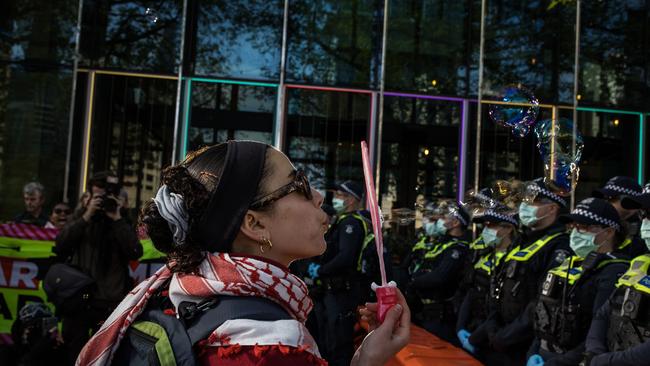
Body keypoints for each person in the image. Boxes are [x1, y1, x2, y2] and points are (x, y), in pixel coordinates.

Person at [77, 141, 410, 366]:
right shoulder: (267, 340)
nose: (319, 195)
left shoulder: (182, 292)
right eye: (299, 184)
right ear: (254, 223)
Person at [473, 178, 571, 365]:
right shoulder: (522, 240)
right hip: (498, 340)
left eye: (531, 201)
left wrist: (506, 336)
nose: (524, 206)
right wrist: (492, 329)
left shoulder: (559, 245)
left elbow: (542, 300)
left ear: (552, 208)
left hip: (525, 345)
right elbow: (497, 285)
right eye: (523, 201)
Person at [526, 198, 629, 366]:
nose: (575, 232)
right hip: (544, 355)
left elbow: (598, 332)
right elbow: (543, 311)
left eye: (584, 227)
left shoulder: (613, 271)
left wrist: (556, 364)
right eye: (573, 226)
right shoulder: (569, 263)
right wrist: (533, 351)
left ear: (609, 232)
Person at [54, 171, 142, 363]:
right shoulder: (82, 216)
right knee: (74, 354)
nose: (103, 201)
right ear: (89, 197)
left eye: (106, 196)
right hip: (79, 300)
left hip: (109, 302)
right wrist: (87, 215)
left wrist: (116, 218)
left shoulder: (121, 219)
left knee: (106, 357)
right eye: (98, 197)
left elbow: (135, 251)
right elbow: (60, 245)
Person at [583, 183, 650, 365]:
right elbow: (604, 312)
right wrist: (593, 352)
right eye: (644, 215)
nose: (645, 222)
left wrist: (608, 362)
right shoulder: (640, 262)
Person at [309, 180, 370, 366]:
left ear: (351, 199)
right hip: (335, 292)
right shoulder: (346, 221)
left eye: (340, 196)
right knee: (329, 341)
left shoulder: (351, 223)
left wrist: (321, 270)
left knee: (338, 345)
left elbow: (346, 257)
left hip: (341, 292)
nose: (336, 199)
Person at [456, 208, 520, 360]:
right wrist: (460, 327)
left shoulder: (515, 260)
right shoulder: (484, 256)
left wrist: (476, 337)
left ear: (508, 229)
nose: (486, 230)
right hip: (473, 328)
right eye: (485, 225)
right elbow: (471, 292)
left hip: (494, 336)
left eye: (491, 225)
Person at [408, 203, 471, 344]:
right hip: (423, 310)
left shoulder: (459, 248)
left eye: (444, 216)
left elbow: (439, 277)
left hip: (441, 315)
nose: (439, 219)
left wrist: (413, 281)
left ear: (455, 222)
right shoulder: (440, 244)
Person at [592, 176, 645, 257]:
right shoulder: (600, 227)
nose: (605, 203)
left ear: (629, 202)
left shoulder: (645, 233)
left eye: (611, 198)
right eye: (604, 198)